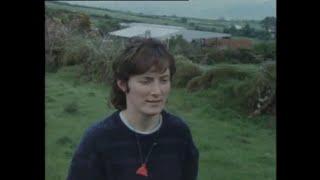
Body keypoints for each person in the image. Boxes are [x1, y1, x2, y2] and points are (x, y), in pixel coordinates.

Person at [66, 38, 199, 180]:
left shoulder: (180, 134)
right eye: (146, 81)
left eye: (164, 80)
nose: (157, 91)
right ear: (123, 84)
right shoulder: (97, 140)